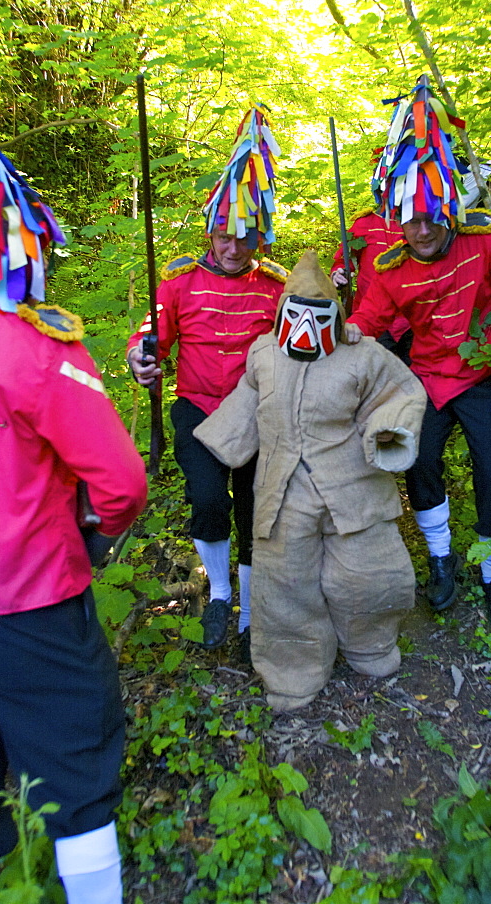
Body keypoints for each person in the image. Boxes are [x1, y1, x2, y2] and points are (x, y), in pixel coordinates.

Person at [0, 117, 148, 904]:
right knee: (76, 778)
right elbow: (122, 482)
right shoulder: (37, 349)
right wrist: (100, 539)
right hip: (31, 600)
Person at [345, 79, 491, 635]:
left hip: (484, 376)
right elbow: (367, 321)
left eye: (432, 216)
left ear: (447, 208)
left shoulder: (484, 240)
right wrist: (335, 339)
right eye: (412, 219)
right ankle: (439, 557)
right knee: (418, 461)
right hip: (426, 380)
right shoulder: (390, 268)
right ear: (398, 219)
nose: (424, 229)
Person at [194, 251, 426, 711]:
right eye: (294, 316)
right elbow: (249, 398)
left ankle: (371, 645)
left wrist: (388, 432)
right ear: (281, 313)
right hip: (283, 491)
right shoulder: (263, 353)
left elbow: (401, 392)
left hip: (354, 487)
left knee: (369, 574)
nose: (303, 327)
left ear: (334, 317)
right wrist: (220, 446)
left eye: (315, 317)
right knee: (285, 585)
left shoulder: (363, 356)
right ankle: (292, 671)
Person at [127, 106, 287, 654]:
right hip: (196, 409)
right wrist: (141, 359)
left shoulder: (274, 288)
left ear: (258, 237)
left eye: (245, 236)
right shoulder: (178, 283)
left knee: (253, 508)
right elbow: (151, 334)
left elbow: (301, 345)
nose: (233, 247)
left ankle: (251, 608)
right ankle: (219, 593)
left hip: (255, 413)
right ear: (211, 232)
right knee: (207, 499)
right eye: (225, 235)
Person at [330, 206, 412, 362]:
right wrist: (338, 272)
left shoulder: (419, 224)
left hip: (411, 318)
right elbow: (344, 258)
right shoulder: (365, 222)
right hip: (370, 314)